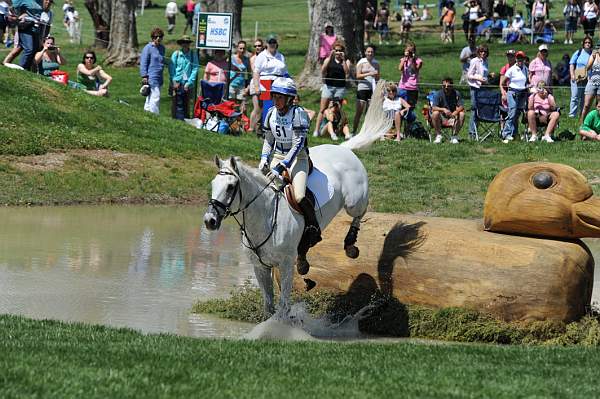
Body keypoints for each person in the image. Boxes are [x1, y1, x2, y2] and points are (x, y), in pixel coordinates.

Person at [258, 77, 321, 246]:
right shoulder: (270, 113)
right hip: (277, 156)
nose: (276, 100)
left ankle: (313, 226)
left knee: (299, 196)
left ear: (289, 99)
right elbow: (268, 140)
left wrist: (283, 165)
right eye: (275, 96)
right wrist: (264, 158)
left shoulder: (298, 114)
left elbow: (298, 144)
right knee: (264, 191)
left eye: (280, 97)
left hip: (298, 159)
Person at [313, 40, 350, 138]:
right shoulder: (329, 59)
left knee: (337, 110)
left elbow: (347, 73)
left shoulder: (346, 61)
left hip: (340, 88)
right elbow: (323, 69)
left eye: (340, 50)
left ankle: (336, 130)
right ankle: (316, 130)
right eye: (336, 50)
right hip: (328, 87)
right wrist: (330, 56)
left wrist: (343, 60)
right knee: (322, 109)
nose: (337, 52)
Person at [252, 35, 288, 133]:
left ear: (276, 44)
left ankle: (275, 129)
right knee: (267, 107)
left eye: (274, 43)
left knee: (277, 105)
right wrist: (256, 86)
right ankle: (264, 129)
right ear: (267, 44)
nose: (272, 45)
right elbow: (256, 72)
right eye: (270, 43)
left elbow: (285, 72)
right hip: (265, 82)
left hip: (278, 82)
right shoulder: (262, 56)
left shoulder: (280, 56)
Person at [501, 50, 529, 143]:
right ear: (516, 59)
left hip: (522, 93)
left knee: (517, 115)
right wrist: (506, 92)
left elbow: (527, 81)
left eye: (521, 58)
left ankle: (514, 133)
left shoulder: (525, 69)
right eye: (518, 58)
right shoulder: (512, 69)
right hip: (513, 93)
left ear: (524, 59)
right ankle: (505, 134)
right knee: (512, 113)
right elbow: (503, 82)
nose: (519, 60)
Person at [169, 35, 199, 120]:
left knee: (186, 103)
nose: (185, 44)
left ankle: (185, 119)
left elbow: (195, 69)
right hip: (177, 82)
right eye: (183, 42)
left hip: (187, 83)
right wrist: (174, 80)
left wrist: (189, 82)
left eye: (187, 42)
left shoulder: (193, 55)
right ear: (181, 44)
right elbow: (171, 68)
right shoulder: (176, 54)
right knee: (175, 102)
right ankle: (176, 119)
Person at [353, 44, 379, 135]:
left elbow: (377, 77)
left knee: (369, 113)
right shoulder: (361, 62)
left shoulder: (376, 63)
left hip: (372, 89)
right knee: (359, 112)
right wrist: (369, 73)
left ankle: (366, 132)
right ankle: (354, 131)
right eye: (368, 51)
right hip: (362, 88)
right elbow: (358, 76)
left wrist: (376, 75)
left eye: (371, 52)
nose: (370, 53)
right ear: (365, 52)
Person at [11, 0, 44, 70]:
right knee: (29, 49)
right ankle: (20, 69)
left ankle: (27, 70)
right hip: (25, 26)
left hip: (36, 27)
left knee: (34, 50)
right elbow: (11, 7)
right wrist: (19, 16)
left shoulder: (40, 1)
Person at [140, 27, 166, 115]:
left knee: (150, 97)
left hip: (159, 76)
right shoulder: (148, 48)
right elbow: (143, 62)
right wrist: (144, 76)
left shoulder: (162, 48)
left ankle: (146, 114)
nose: (158, 38)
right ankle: (155, 115)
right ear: (152, 37)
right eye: (155, 36)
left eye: (160, 36)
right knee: (156, 96)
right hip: (151, 76)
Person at [431, 77, 465, 144]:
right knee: (435, 113)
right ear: (442, 86)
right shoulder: (438, 94)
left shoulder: (456, 93)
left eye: (448, 86)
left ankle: (454, 136)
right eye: (444, 86)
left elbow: (461, 106)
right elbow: (433, 107)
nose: (446, 87)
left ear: (452, 86)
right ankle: (438, 136)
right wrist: (443, 109)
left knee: (462, 114)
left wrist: (456, 112)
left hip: (453, 116)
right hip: (441, 117)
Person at [467, 44, 489, 139]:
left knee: (480, 109)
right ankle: (471, 133)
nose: (483, 53)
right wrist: (479, 79)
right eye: (481, 51)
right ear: (478, 52)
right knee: (474, 109)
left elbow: (484, 74)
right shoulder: (474, 61)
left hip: (482, 87)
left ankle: (476, 131)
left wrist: (487, 78)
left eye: (484, 52)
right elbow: (469, 75)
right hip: (475, 87)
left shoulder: (486, 61)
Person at [569, 37, 592, 118]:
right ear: (583, 44)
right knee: (575, 97)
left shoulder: (592, 54)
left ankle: (582, 115)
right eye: (586, 42)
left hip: (588, 79)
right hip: (577, 77)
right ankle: (572, 115)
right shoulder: (578, 52)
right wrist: (572, 75)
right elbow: (572, 63)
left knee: (584, 98)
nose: (587, 44)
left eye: (589, 42)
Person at [398, 41, 422, 108]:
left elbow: (414, 70)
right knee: (400, 106)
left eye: (412, 51)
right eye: (408, 51)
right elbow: (400, 68)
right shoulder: (403, 59)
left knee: (411, 107)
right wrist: (405, 58)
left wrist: (412, 60)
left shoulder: (418, 61)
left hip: (413, 87)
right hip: (402, 86)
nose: (410, 53)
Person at [581, 43, 600, 123]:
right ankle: (582, 125)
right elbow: (587, 67)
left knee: (598, 106)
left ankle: (596, 125)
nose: (598, 49)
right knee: (586, 105)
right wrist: (594, 55)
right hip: (592, 81)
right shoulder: (594, 56)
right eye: (597, 47)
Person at [229, 40, 250, 113]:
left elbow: (249, 73)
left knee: (243, 106)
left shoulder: (246, 60)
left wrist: (248, 86)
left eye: (244, 48)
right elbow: (225, 70)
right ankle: (232, 122)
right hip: (232, 84)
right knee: (232, 105)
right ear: (237, 48)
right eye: (240, 48)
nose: (242, 50)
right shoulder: (231, 58)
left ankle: (242, 122)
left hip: (242, 85)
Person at [248, 38, 264, 133]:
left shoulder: (266, 56)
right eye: (255, 46)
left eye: (259, 45)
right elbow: (255, 71)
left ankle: (259, 127)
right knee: (256, 107)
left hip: (265, 83)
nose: (257, 47)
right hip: (255, 82)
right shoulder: (253, 58)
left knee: (263, 107)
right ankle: (251, 127)